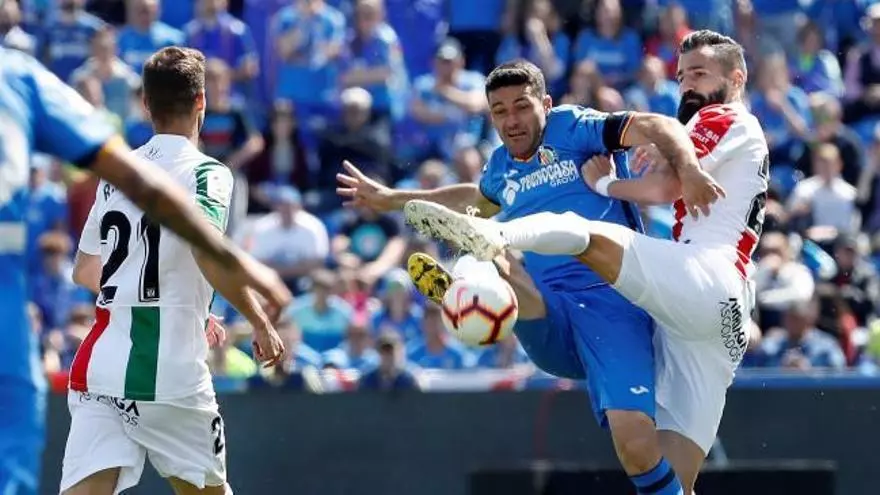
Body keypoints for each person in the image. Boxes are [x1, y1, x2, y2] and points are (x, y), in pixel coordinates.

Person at [402, 31, 767, 493]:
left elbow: (663, 183)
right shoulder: (500, 166)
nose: (686, 86)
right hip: (722, 322)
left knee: (583, 233)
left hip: (706, 277)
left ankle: (491, 243)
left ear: (737, 78)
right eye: (680, 76)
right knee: (674, 480)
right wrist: (397, 198)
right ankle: (477, 278)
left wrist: (606, 186)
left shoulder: (722, 116)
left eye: (698, 73)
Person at [0, 44, 290, 495]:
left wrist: (173, 294)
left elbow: (85, 269)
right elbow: (206, 252)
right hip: (167, 371)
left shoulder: (118, 172)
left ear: (145, 104)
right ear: (201, 102)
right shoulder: (208, 173)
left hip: (100, 365)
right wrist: (258, 318)